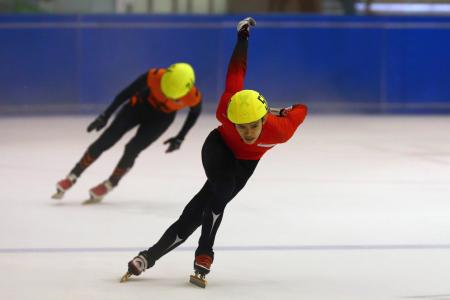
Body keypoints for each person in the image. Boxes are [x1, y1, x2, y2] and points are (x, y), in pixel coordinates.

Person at [121, 17, 308, 286]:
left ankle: (147, 257)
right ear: (231, 119)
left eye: (253, 126)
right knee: (220, 190)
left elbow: (302, 109)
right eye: (240, 126)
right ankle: (204, 254)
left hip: (245, 164)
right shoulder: (226, 110)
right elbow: (235, 73)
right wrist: (241, 38)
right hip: (218, 147)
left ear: (265, 119)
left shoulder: (281, 129)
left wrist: (281, 110)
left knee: (196, 213)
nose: (247, 133)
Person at [51, 62, 202, 204]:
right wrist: (106, 115)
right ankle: (73, 176)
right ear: (165, 78)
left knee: (132, 149)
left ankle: (112, 182)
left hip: (160, 120)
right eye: (164, 89)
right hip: (137, 107)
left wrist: (181, 137)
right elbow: (125, 93)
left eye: (173, 96)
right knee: (106, 140)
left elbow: (195, 113)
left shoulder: (193, 96)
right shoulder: (155, 75)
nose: (167, 95)